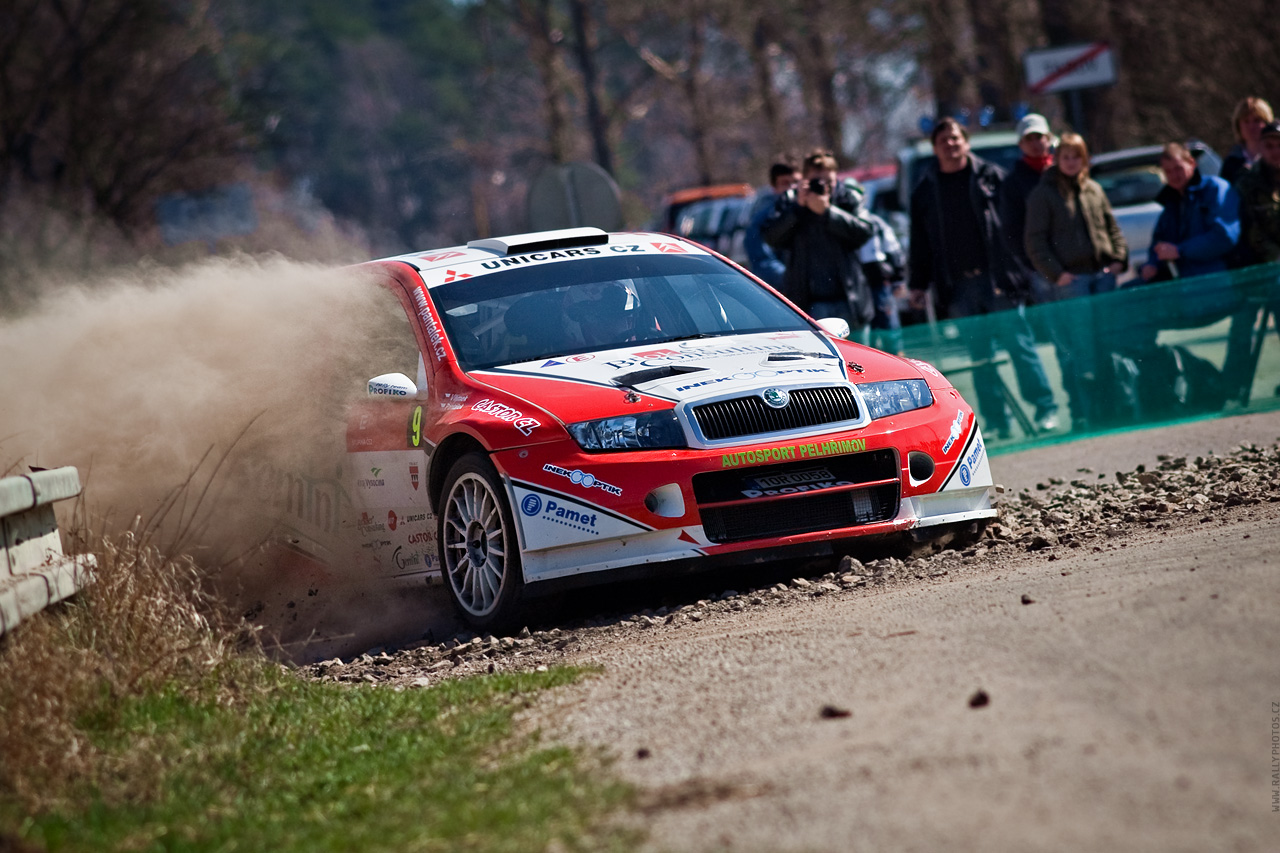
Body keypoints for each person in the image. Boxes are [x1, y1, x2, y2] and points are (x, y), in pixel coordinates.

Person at [908, 117, 1059, 438]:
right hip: (959, 286)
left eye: (955, 138)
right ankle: (997, 422)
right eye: (943, 141)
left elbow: (1018, 226)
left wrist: (1023, 266)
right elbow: (919, 242)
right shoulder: (924, 190)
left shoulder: (993, 177)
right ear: (935, 148)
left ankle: (1046, 409)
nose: (950, 145)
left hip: (999, 279)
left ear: (966, 141)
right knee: (979, 358)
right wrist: (918, 285)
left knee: (1021, 346)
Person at [1024, 133, 1128, 430]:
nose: (1071, 163)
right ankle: (1086, 413)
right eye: (1065, 157)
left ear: (1085, 159)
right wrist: (1057, 274)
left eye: (1077, 157)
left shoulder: (1094, 189)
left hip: (1102, 278)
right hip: (1072, 283)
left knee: (1107, 342)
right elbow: (1035, 242)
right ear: (1057, 159)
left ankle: (1116, 406)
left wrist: (1119, 258)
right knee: (1080, 350)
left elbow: (1112, 227)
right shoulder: (1043, 194)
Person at [761, 149, 875, 342]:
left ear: (837, 178)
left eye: (829, 182)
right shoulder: (791, 201)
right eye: (817, 182)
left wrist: (829, 212)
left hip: (851, 301)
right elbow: (771, 237)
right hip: (811, 304)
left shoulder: (847, 197)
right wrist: (797, 208)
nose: (824, 187)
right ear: (805, 180)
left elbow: (865, 231)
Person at [1138, 142, 1240, 283]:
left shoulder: (1215, 189)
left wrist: (1180, 250)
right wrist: (1152, 264)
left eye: (1178, 168)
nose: (1174, 175)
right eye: (1168, 171)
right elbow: (1160, 241)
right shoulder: (1172, 202)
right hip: (1185, 285)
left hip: (1220, 280)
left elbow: (1225, 236)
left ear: (1192, 163)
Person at [1002, 113, 1057, 304]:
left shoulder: (1064, 172)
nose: (1034, 143)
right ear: (1020, 144)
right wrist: (1033, 265)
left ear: (1049, 139)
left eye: (1039, 137)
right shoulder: (1013, 182)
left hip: (1074, 263)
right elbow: (1011, 230)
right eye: (1028, 139)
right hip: (1040, 268)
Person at [744, 159, 801, 288]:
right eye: (785, 183)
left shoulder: (807, 210)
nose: (792, 188)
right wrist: (795, 281)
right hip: (782, 292)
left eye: (796, 182)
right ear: (774, 186)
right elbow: (762, 262)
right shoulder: (762, 219)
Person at [858, 210, 907, 354]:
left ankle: (897, 359)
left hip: (879, 283)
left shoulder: (875, 222)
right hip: (856, 287)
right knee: (865, 336)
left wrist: (898, 278)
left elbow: (893, 250)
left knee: (889, 328)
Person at [1220, 97, 1275, 185]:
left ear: (1267, 123)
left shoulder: (1276, 157)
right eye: (1246, 121)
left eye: (1257, 121)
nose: (1251, 127)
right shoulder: (1231, 162)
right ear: (1238, 126)